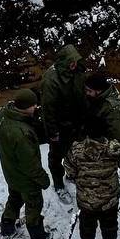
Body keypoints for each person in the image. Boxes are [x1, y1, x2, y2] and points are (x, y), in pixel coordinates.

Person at [0, 88, 52, 239]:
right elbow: (30, 165)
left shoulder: (1, 115)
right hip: (26, 179)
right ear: (26, 107)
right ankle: (38, 236)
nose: (36, 108)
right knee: (34, 204)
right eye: (33, 105)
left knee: (14, 197)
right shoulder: (22, 134)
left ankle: (7, 226)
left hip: (10, 171)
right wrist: (43, 180)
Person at [64, 121, 120, 239]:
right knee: (110, 224)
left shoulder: (77, 149)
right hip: (109, 198)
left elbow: (69, 169)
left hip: (86, 199)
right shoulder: (114, 148)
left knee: (87, 224)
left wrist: (78, 178)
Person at [40, 44, 86, 202]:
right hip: (60, 125)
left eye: (75, 61)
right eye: (71, 62)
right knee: (56, 155)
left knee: (76, 151)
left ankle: (72, 174)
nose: (74, 64)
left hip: (76, 122)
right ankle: (58, 184)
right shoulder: (51, 79)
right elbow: (48, 109)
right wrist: (53, 132)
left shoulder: (77, 71)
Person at [83, 70, 120, 153]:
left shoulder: (113, 108)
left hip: (106, 149)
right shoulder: (96, 98)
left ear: (98, 91)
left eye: (89, 91)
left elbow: (117, 136)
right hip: (93, 143)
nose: (87, 93)